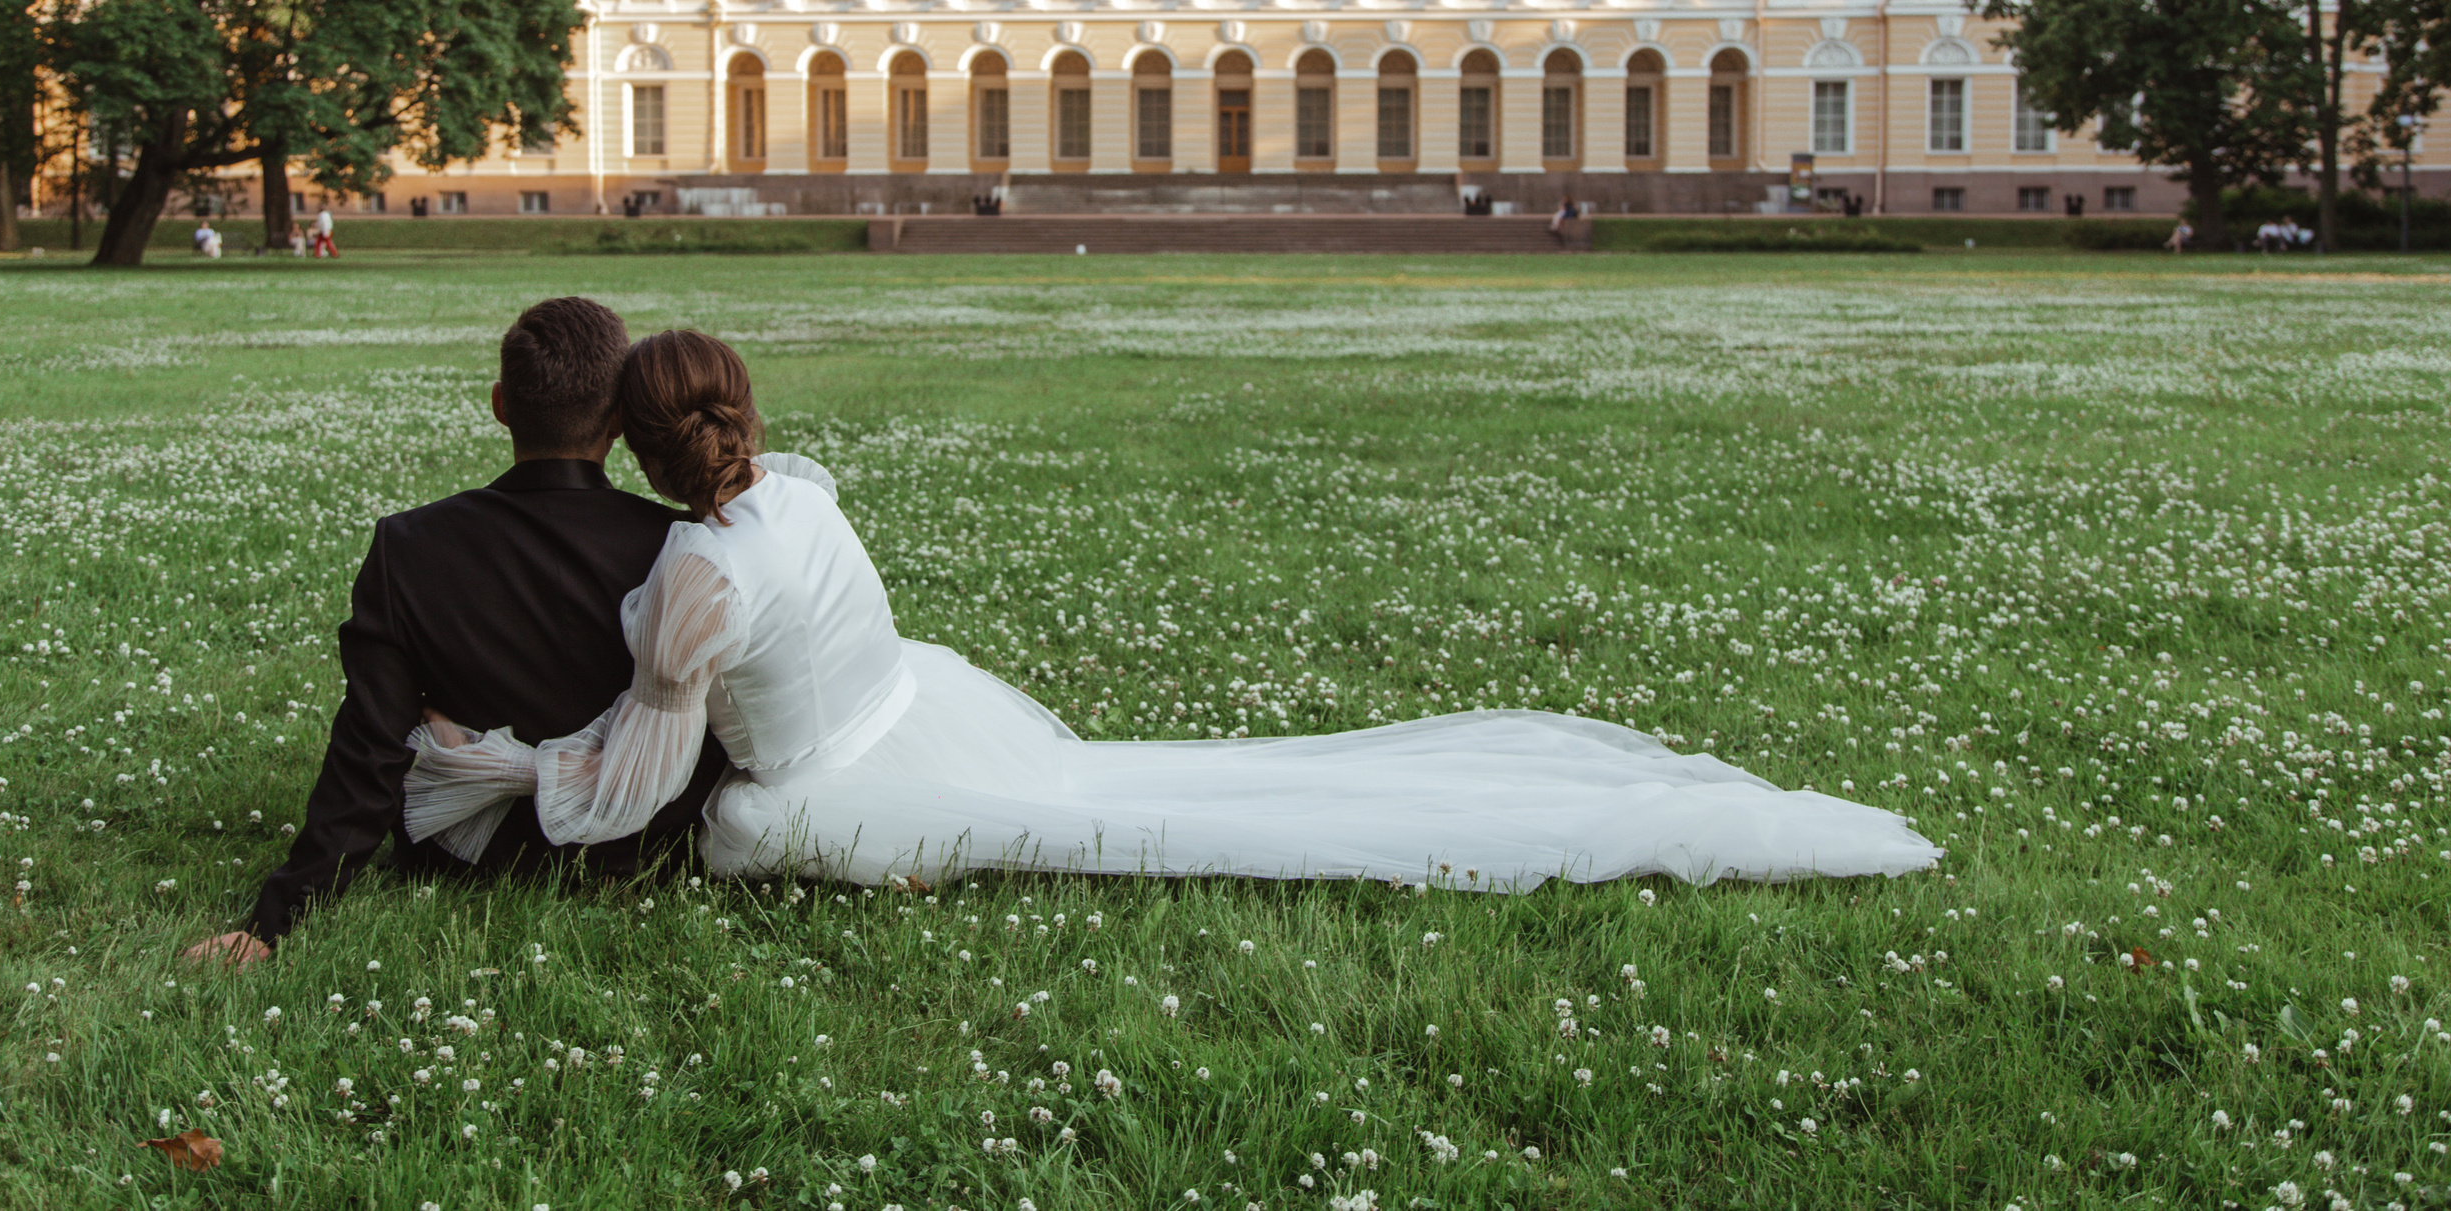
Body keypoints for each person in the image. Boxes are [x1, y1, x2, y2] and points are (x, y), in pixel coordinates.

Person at [406, 332, 1938, 894]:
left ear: (638, 445)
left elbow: (644, 781)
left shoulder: (688, 576)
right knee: (1132, 780)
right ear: (739, 415)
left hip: (844, 774)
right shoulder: (795, 488)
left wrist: (497, 770)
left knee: (758, 833)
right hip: (918, 707)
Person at [185, 299, 726, 965]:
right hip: (645, 846)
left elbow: (371, 744)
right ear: (619, 416)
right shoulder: (683, 548)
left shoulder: (408, 546)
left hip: (472, 852)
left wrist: (276, 920)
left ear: (499, 404)